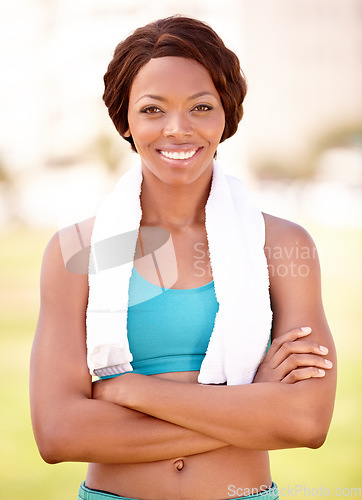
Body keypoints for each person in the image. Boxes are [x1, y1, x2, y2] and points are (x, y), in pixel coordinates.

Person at [30, 15, 336, 500]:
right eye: (152, 110)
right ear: (124, 120)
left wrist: (132, 391)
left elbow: (306, 420)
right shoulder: (78, 252)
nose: (178, 129)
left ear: (225, 116)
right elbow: (59, 433)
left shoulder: (282, 246)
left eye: (200, 107)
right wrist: (252, 410)